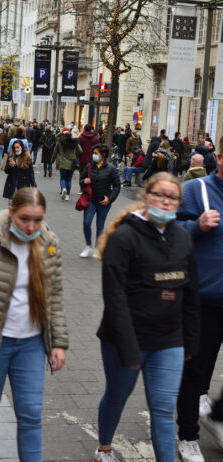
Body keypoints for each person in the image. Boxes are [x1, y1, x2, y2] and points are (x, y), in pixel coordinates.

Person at [93, 172, 200, 462]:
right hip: (125, 339)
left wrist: (190, 343)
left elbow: (190, 295)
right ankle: (104, 448)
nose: (165, 202)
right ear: (145, 196)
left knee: (164, 410)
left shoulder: (183, 238)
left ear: (179, 202)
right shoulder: (124, 237)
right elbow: (114, 298)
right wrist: (129, 349)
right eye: (159, 195)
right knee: (117, 395)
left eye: (172, 197)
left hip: (169, 339)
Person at [0, 187, 68, 462]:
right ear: (10, 213)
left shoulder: (49, 243)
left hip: (31, 343)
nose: (31, 227)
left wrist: (58, 343)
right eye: (24, 219)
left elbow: (54, 296)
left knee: (31, 415)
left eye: (37, 220)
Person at [175, 143, 223, 462]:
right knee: (193, 371)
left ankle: (215, 413)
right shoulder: (196, 189)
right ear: (219, 158)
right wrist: (196, 225)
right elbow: (165, 231)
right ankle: (188, 436)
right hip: (202, 300)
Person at [79, 144, 121, 259]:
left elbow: (117, 186)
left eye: (96, 153)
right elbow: (81, 181)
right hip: (90, 200)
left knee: (100, 225)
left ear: (103, 155)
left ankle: (98, 248)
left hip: (103, 202)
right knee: (86, 223)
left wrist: (110, 198)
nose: (94, 155)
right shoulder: (88, 166)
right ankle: (88, 246)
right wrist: (84, 181)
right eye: (93, 153)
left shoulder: (111, 169)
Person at [52, 128, 82, 201]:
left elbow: (55, 137)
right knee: (69, 180)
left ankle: (64, 188)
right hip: (72, 163)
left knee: (63, 178)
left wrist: (61, 132)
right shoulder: (75, 143)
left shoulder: (60, 142)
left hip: (63, 163)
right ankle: (67, 195)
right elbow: (81, 151)